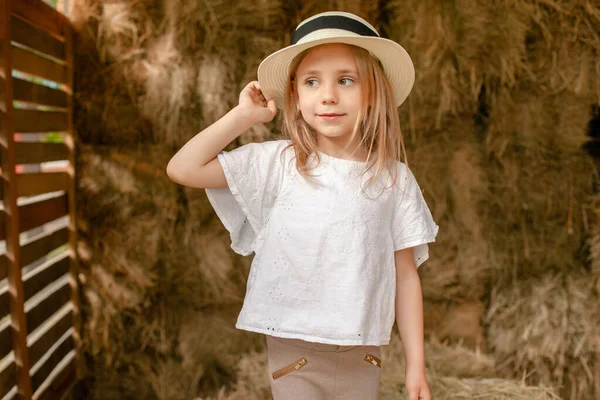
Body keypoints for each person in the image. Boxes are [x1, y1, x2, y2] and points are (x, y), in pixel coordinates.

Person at [167, 11, 439, 400]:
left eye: (346, 80)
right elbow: (183, 168)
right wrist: (243, 117)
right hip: (294, 353)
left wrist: (416, 366)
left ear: (374, 93)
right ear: (295, 94)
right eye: (312, 82)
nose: (328, 95)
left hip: (363, 354)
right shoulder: (279, 163)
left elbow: (406, 276)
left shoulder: (394, 179)